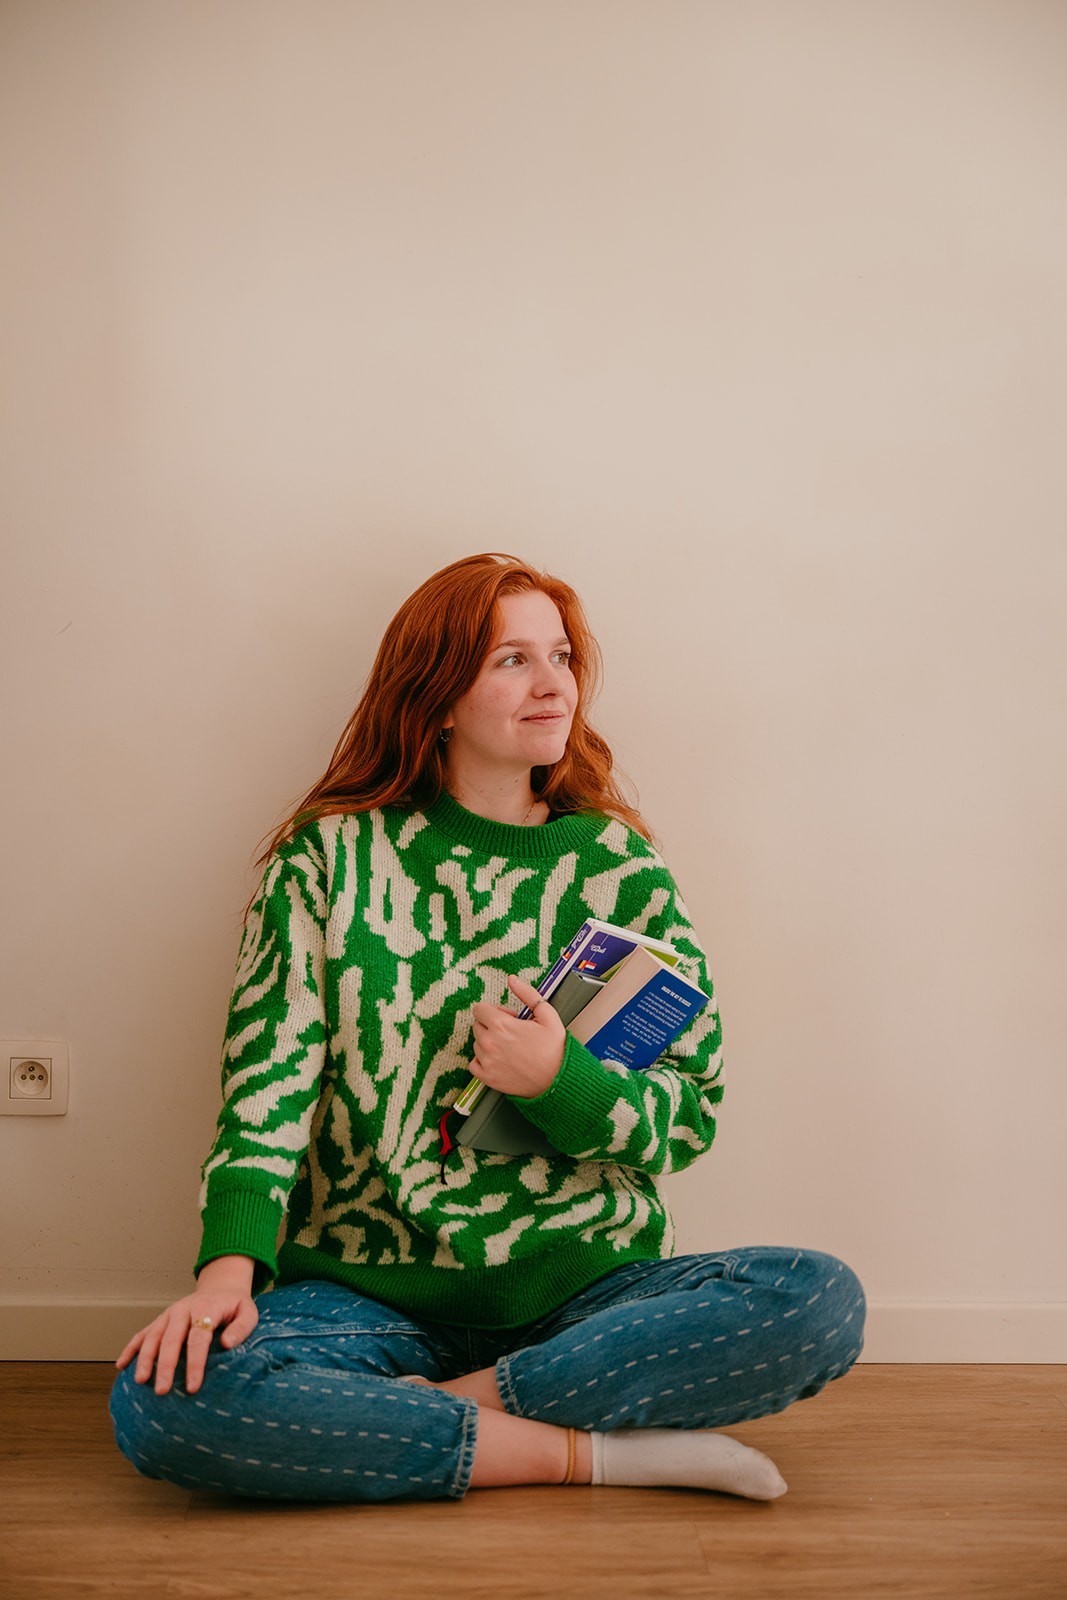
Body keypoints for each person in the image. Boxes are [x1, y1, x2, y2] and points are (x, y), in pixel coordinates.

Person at [110, 552, 865, 1503]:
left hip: (586, 1294)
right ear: (434, 697)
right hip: (368, 1297)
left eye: (561, 655)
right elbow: (266, 1090)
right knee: (163, 1397)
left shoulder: (621, 868)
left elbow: (690, 1111)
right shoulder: (327, 859)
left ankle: (445, 1414)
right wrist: (225, 1277)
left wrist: (558, 1080)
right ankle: (582, 1454)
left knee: (816, 1298)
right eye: (512, 659)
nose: (553, 684)